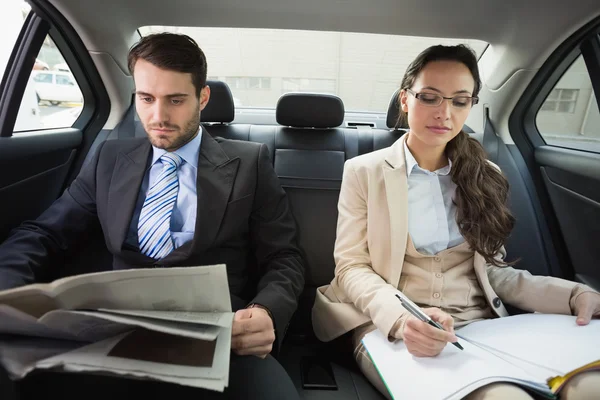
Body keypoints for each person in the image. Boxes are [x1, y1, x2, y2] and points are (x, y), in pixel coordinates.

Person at [0, 33, 304, 400]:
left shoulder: (249, 163)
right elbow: (44, 233)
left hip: (219, 334)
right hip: (118, 328)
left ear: (202, 98)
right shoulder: (110, 160)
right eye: (146, 99)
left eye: (175, 100)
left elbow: (284, 257)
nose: (158, 116)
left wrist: (266, 309)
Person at [311, 44, 600, 399]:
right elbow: (352, 267)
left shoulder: (486, 175)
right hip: (390, 325)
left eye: (460, 101)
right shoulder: (364, 172)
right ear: (406, 100)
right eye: (430, 97)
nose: (444, 113)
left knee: (588, 386)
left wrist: (572, 295)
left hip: (483, 326)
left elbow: (495, 272)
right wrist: (405, 321)